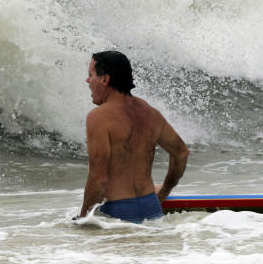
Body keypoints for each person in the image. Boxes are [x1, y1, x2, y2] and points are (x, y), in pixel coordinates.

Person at [79, 50, 189, 223]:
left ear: (104, 79)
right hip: (153, 209)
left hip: (118, 215)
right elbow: (181, 153)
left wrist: (83, 220)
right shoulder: (150, 112)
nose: (87, 80)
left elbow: (98, 179)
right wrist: (165, 190)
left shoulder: (98, 117)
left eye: (90, 75)